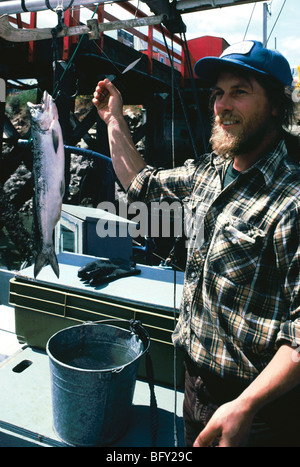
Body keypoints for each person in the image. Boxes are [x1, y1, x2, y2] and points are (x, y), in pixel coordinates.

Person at [93, 40, 300, 447]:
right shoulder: (210, 171)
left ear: (276, 105)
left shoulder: (290, 201)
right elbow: (143, 185)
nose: (222, 105)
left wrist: (246, 405)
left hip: (257, 413)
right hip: (194, 389)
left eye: (239, 91)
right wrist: (113, 119)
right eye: (218, 94)